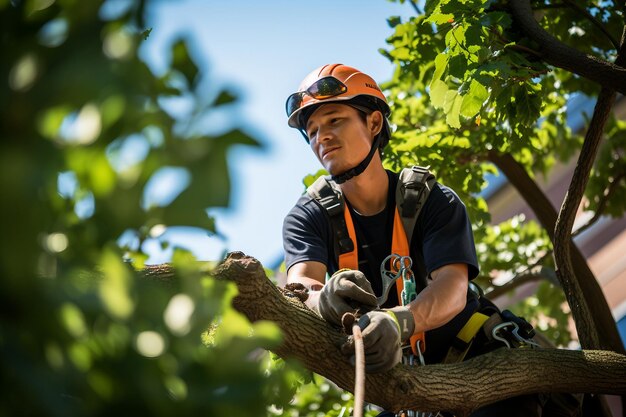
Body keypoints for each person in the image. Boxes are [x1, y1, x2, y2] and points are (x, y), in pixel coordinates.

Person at [281, 63, 545, 416]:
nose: (320, 137)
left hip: (478, 361)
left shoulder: (430, 200)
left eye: (334, 120)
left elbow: (451, 288)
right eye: (311, 131)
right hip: (403, 389)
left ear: (373, 123)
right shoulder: (308, 216)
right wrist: (323, 300)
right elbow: (300, 287)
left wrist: (397, 322)